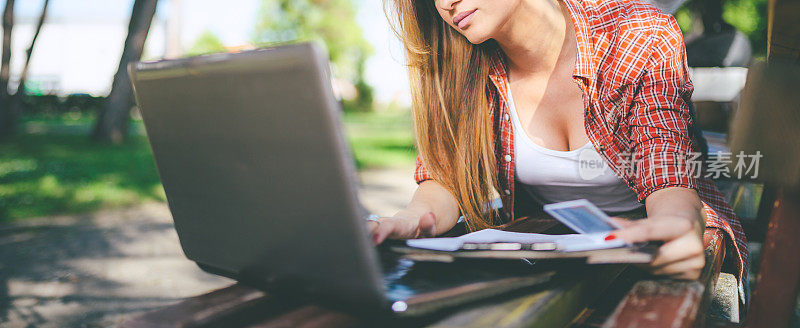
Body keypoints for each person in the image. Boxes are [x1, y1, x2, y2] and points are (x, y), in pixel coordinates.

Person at [370, 0, 747, 290]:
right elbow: (445, 178)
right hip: (555, 259)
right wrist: (410, 219)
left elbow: (667, 168)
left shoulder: (636, 32)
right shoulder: (458, 64)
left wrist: (675, 224)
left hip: (649, 249)